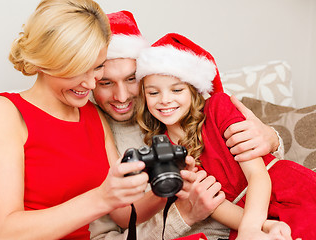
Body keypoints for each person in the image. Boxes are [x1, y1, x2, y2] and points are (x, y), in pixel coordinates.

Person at [0, 1, 167, 239]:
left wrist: (167, 189)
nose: (90, 83)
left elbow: (121, 214)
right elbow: (4, 231)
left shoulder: (92, 115)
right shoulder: (5, 111)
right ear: (44, 63)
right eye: (77, 70)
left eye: (97, 68)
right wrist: (100, 198)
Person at [90, 11, 287, 240]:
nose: (122, 96)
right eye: (106, 82)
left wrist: (272, 139)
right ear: (90, 81)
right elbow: (111, 231)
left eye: (132, 79)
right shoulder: (93, 133)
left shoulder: (174, 119)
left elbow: (247, 164)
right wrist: (182, 215)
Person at [135, 32, 316, 240]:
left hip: (284, 190)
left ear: (193, 90)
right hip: (244, 216)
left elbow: (257, 176)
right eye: (153, 93)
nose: (165, 100)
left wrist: (250, 228)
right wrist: (263, 227)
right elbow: (215, 204)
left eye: (176, 90)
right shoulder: (164, 148)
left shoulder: (218, 107)